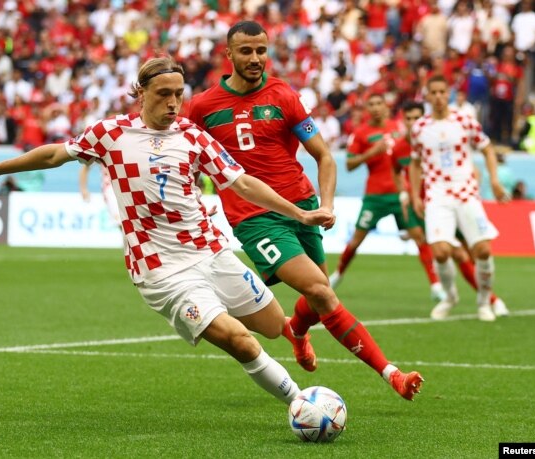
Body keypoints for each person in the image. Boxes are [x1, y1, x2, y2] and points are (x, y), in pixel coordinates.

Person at [0, 56, 336, 407]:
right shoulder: (110, 133)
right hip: (162, 271)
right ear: (141, 93)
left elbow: (243, 184)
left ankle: (294, 336)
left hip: (210, 252)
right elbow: (53, 155)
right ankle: (303, 403)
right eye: (164, 94)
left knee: (273, 326)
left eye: (179, 94)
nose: (173, 103)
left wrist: (299, 215)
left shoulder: (193, 136)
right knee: (239, 340)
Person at [187, 21, 423, 401]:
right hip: (254, 217)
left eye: (261, 51)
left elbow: (325, 157)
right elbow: (190, 164)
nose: (255, 58)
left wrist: (326, 204)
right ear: (228, 54)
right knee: (320, 291)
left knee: (318, 295)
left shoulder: (284, 95)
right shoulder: (202, 107)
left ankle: (296, 331)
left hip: (304, 206)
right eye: (246, 51)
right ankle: (391, 373)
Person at [394, 100, 509, 318]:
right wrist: (408, 194)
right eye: (408, 118)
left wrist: (490, 179)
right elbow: (407, 166)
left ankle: (486, 301)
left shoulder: (461, 122)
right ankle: (449, 295)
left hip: (465, 195)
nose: (412, 122)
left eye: (441, 92)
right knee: (441, 251)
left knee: (480, 250)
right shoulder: (412, 137)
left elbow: (482, 149)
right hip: (436, 199)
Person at [329, 93, 444, 303]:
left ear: (386, 106)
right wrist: (372, 152)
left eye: (378, 103)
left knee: (419, 236)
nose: (375, 107)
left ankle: (436, 285)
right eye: (371, 104)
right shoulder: (361, 133)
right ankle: (338, 274)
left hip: (401, 194)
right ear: (366, 109)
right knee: (356, 239)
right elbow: (349, 164)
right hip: (375, 196)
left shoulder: (399, 128)